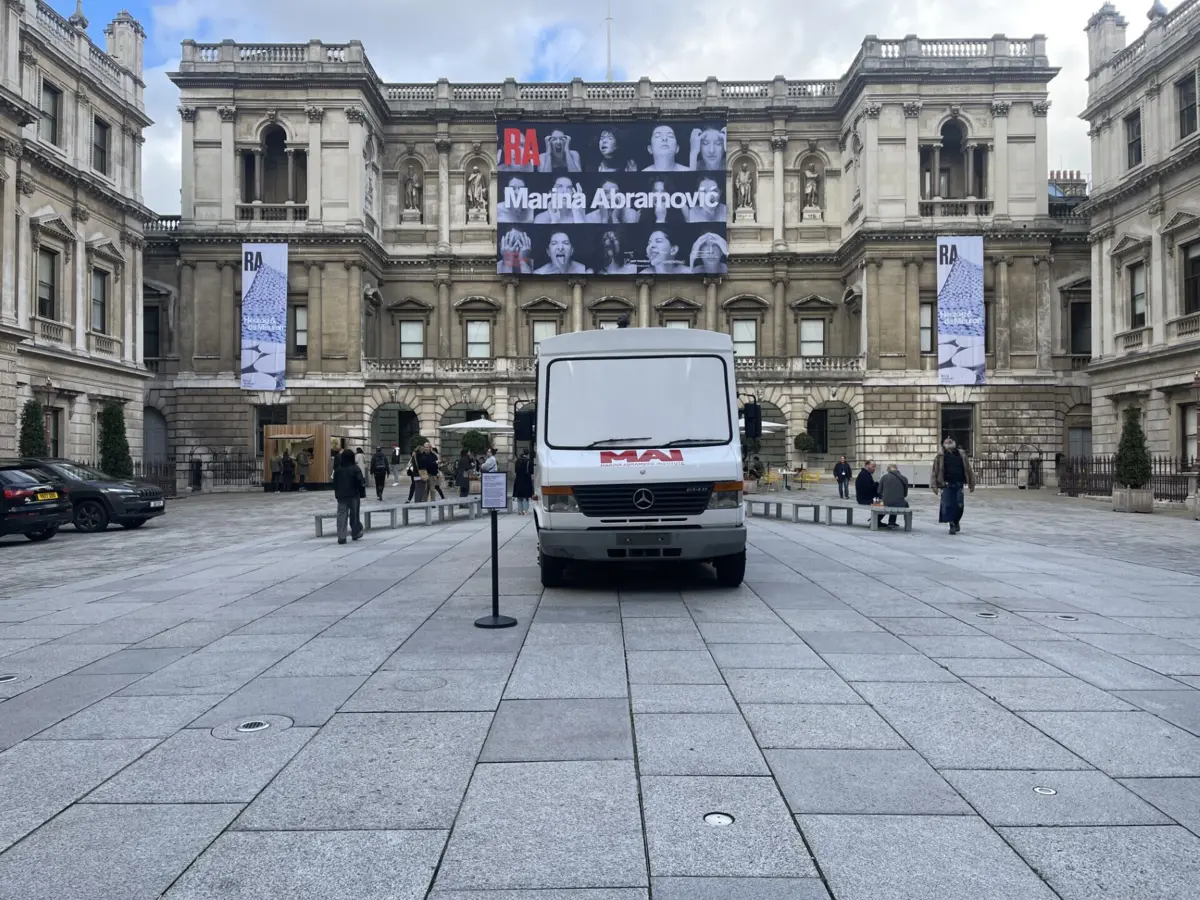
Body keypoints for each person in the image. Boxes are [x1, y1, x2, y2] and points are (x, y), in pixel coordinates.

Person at [932, 436, 975, 535]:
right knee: (948, 505)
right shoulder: (940, 456)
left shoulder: (962, 454)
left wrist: (971, 483)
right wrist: (934, 485)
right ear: (943, 444)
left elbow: (968, 469)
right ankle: (952, 525)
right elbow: (934, 471)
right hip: (946, 484)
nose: (949, 439)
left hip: (959, 483)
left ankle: (956, 521)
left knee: (959, 504)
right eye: (946, 440)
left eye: (951, 439)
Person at [332, 448, 365, 544]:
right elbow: (360, 481)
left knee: (341, 515)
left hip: (341, 496)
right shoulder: (355, 468)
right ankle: (355, 533)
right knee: (354, 515)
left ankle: (341, 536)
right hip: (354, 495)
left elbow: (335, 483)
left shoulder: (338, 469)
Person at [877, 463, 910, 528]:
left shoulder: (884, 477)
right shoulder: (904, 478)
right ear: (897, 469)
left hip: (886, 502)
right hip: (899, 503)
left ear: (888, 470)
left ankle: (876, 520)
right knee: (903, 503)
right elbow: (905, 494)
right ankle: (892, 522)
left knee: (885, 502)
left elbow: (879, 491)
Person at [513, 449, 535, 515]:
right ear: (528, 454)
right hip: (526, 479)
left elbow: (515, 470)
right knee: (526, 496)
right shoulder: (529, 462)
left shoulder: (518, 461)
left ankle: (520, 511)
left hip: (518, 479)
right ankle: (525, 511)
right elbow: (531, 472)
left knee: (519, 496)